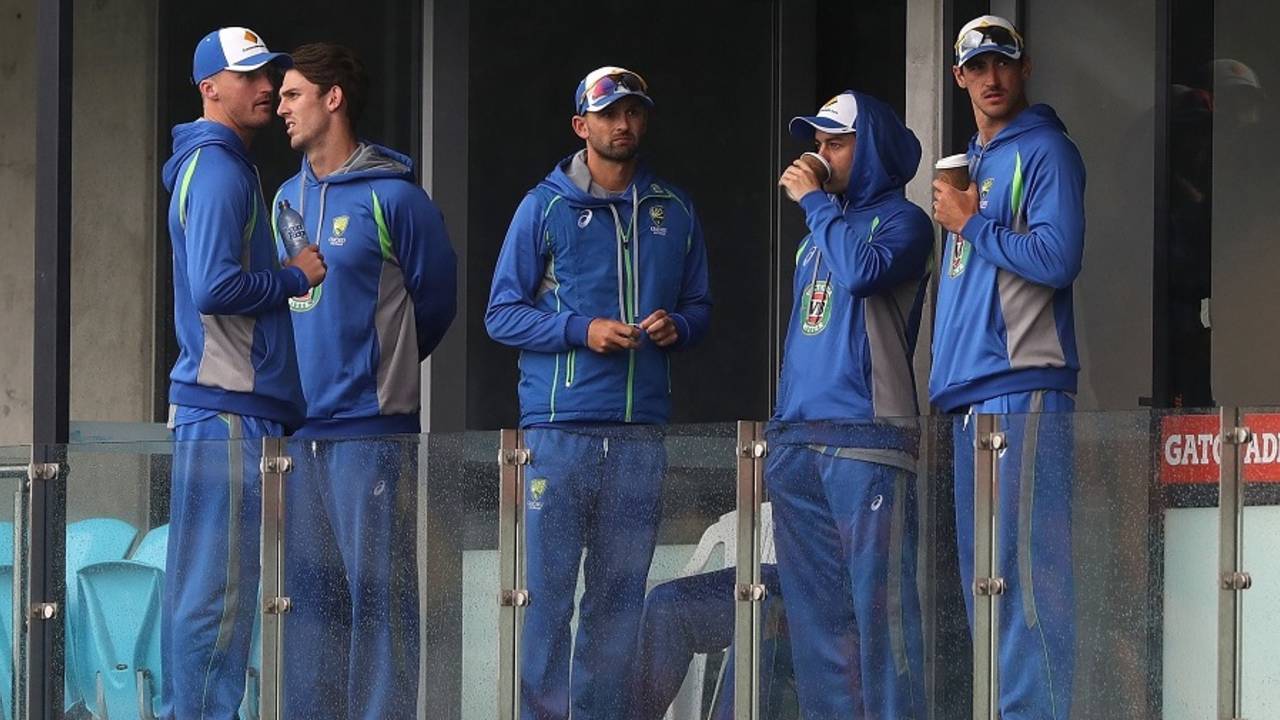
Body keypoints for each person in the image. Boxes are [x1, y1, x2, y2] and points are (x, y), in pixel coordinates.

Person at [485, 65, 712, 720]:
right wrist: (583, 329)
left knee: (619, 599)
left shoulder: (674, 207)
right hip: (559, 432)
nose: (624, 123)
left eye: (634, 111)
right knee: (547, 599)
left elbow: (702, 307)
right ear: (581, 126)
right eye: (609, 113)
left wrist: (681, 325)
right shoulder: (545, 206)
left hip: (641, 432)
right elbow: (501, 314)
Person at [272, 42, 457, 719]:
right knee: (308, 604)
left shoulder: (396, 198)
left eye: (292, 95)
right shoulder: (285, 197)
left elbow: (434, 303)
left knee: (379, 605)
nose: (281, 108)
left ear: (333, 98)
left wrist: (387, 369)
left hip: (372, 433)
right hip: (301, 436)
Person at [159, 26, 323, 719]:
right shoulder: (222, 168)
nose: (266, 88)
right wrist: (294, 275)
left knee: (206, 594)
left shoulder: (217, 164)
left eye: (271, 75)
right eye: (250, 76)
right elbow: (216, 289)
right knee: (217, 599)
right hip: (226, 407)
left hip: (218, 405)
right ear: (210, 88)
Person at [931, 15, 1085, 720]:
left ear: (1024, 70)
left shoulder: (1046, 149)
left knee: (1025, 581)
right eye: (978, 66)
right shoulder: (970, 163)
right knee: (984, 584)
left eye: (1004, 63)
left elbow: (1057, 260)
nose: (991, 78)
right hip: (971, 398)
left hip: (1024, 386)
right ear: (959, 76)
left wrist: (971, 224)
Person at [769, 90, 932, 718]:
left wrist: (813, 201)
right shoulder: (819, 233)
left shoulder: (904, 222)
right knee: (817, 630)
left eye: (836, 142)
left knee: (882, 619)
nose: (819, 153)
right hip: (797, 444)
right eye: (817, 142)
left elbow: (864, 273)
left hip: (868, 439)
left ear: (872, 151)